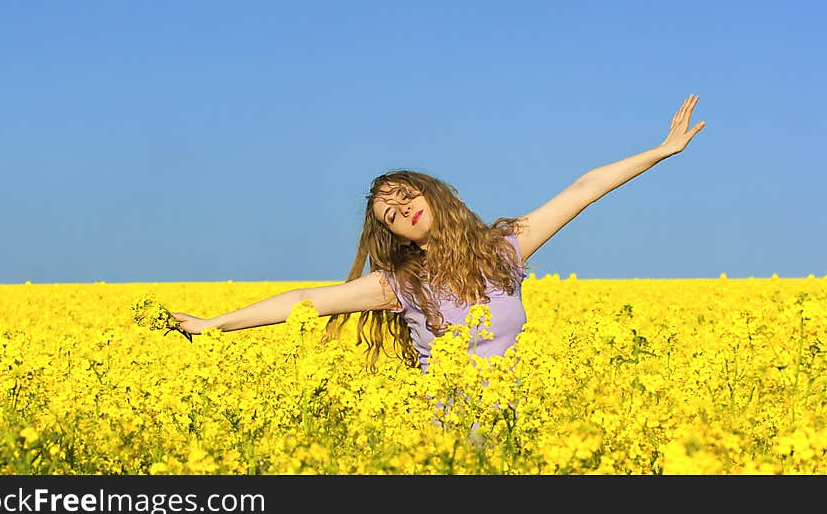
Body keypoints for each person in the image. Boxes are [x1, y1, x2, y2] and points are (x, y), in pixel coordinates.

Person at [172, 94, 706, 373]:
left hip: (516, 421)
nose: (400, 212)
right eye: (389, 215)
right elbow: (305, 301)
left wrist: (662, 151)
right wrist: (212, 325)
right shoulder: (399, 285)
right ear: (395, 236)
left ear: (433, 195)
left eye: (406, 197)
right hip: (452, 436)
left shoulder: (505, 248)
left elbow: (582, 189)